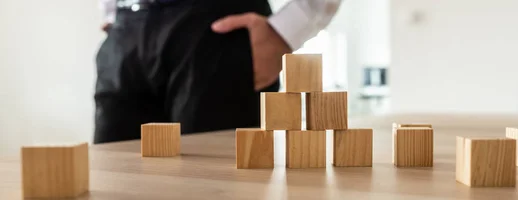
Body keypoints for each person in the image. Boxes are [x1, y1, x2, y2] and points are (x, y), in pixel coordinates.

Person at [94, 0, 341, 143]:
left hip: (217, 28)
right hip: (126, 27)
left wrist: (289, 29)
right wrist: (111, 14)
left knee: (214, 186)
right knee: (115, 185)